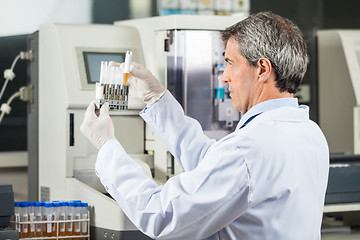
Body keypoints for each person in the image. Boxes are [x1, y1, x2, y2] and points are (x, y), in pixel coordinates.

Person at [80, 11, 329, 240]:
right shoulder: (309, 133)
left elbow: (161, 214)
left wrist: (107, 148)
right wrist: (157, 100)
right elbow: (215, 164)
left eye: (231, 62)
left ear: (262, 68)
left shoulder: (249, 149)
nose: (224, 76)